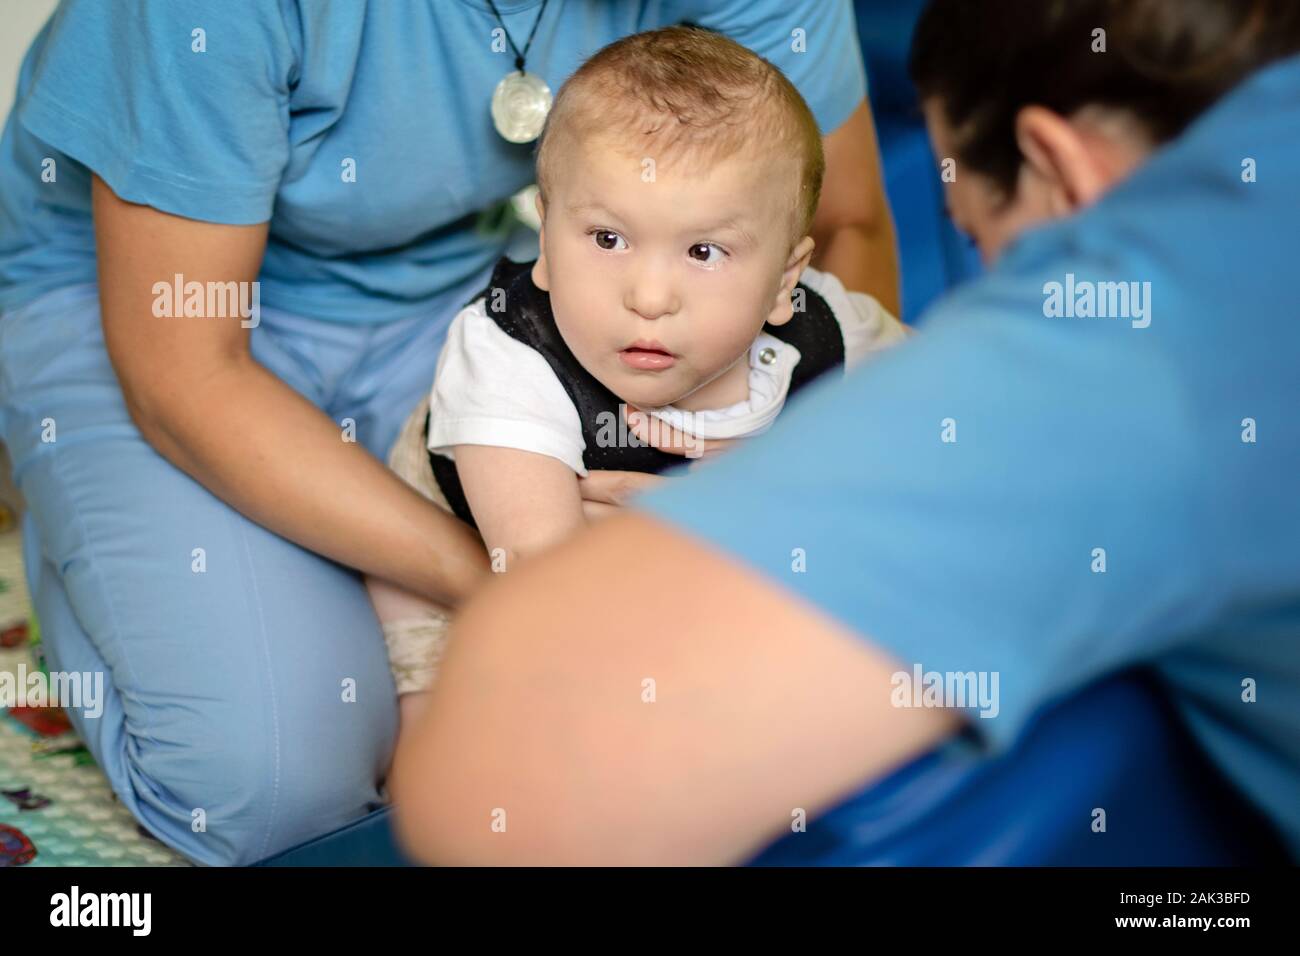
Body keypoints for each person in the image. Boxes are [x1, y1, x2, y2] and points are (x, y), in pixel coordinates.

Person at [390, 0, 1300, 865]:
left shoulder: (1135, 336)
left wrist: (767, 497)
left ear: (1061, 176)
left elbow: (492, 789)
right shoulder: (508, 354)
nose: (651, 296)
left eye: (978, 234)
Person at [0, 0, 897, 865]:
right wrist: (561, 583)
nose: (654, 295)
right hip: (155, 303)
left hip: (438, 279)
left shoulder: (612, 299)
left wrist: (793, 491)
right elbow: (186, 375)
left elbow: (842, 223)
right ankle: (80, 537)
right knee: (276, 794)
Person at [368, 27, 906, 729]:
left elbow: (943, 412)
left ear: (783, 281)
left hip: (661, 578)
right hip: (473, 563)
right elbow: (545, 588)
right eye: (607, 239)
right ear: (548, 241)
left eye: (704, 251)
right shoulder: (509, 356)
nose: (649, 297)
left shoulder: (823, 329)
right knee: (461, 728)